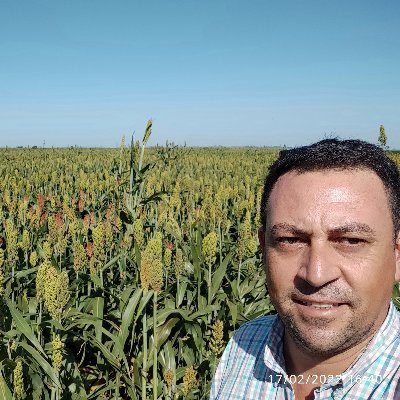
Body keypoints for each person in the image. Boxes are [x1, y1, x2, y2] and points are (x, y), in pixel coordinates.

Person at [210, 139, 400, 399]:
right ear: (264, 248)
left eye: (351, 240)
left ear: (397, 255)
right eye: (290, 240)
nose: (316, 274)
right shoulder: (243, 345)